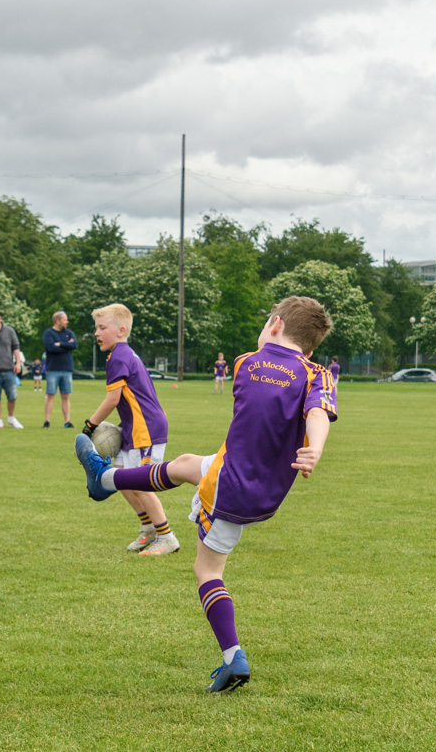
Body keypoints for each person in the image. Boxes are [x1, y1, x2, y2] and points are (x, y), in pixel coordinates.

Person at [74, 296, 337, 692]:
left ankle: (233, 658)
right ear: (312, 347)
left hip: (233, 484)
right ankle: (106, 479)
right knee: (183, 464)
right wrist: (314, 448)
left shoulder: (247, 363)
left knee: (208, 571)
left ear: (277, 324)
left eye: (267, 322)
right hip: (260, 482)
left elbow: (266, 380)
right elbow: (317, 412)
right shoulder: (317, 374)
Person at [81, 303, 180, 556]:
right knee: (121, 479)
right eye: (97, 328)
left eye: (102, 327)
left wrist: (89, 427)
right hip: (134, 428)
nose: (97, 332)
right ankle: (149, 527)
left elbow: (112, 400)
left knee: (141, 483)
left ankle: (167, 537)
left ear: (121, 330)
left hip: (144, 429)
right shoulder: (122, 354)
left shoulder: (119, 357)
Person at [42, 310, 79, 428]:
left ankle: (67, 421)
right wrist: (66, 345)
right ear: (57, 321)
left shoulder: (69, 333)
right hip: (53, 369)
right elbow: (51, 348)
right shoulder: (48, 333)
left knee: (65, 396)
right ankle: (47, 421)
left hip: (67, 369)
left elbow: (74, 345)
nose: (67, 322)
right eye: (64, 319)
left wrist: (60, 344)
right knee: (50, 395)